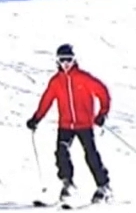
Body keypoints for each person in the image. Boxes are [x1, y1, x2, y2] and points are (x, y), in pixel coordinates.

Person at [25, 44, 113, 204]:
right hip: (65, 125)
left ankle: (104, 187)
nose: (66, 63)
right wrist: (36, 118)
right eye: (62, 60)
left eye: (69, 60)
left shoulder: (83, 78)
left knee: (91, 155)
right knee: (61, 152)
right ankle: (68, 185)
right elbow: (47, 100)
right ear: (57, 61)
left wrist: (102, 114)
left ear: (74, 60)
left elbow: (103, 92)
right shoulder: (56, 82)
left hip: (84, 124)